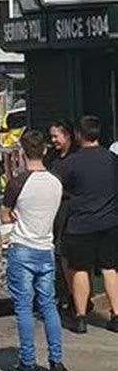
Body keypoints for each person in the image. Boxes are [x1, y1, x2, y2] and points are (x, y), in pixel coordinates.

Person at [1, 130, 68, 371]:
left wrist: (17, 215)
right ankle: (56, 361)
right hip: (45, 247)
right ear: (45, 150)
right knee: (48, 305)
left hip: (22, 247)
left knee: (23, 307)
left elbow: (5, 215)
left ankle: (27, 364)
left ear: (21, 152)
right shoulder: (55, 181)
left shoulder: (17, 182)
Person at [61, 116, 118, 334]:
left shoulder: (71, 162)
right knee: (110, 268)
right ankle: (115, 314)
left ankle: (82, 316)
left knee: (80, 268)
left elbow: (61, 188)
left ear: (78, 135)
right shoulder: (112, 159)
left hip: (81, 223)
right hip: (110, 222)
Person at [46, 119, 77, 311]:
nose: (53, 140)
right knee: (60, 255)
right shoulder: (52, 158)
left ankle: (76, 297)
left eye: (56, 136)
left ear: (67, 135)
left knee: (69, 256)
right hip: (57, 212)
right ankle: (67, 294)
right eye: (51, 136)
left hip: (71, 211)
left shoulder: (75, 158)